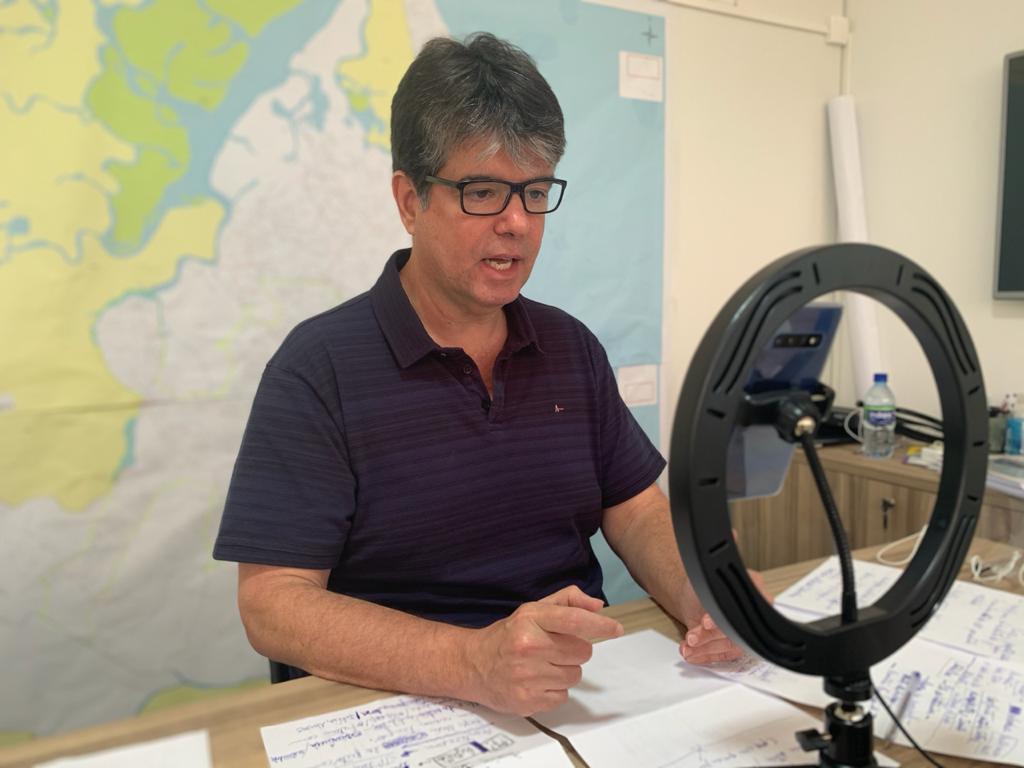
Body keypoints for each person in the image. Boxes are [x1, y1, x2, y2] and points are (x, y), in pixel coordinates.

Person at [213, 32, 751, 717]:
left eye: (535, 191)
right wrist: (471, 662)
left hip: (566, 697)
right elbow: (273, 603)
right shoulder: (317, 368)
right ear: (410, 201)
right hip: (403, 714)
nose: (517, 223)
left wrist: (707, 592)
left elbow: (637, 509)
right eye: (484, 192)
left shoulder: (570, 347)